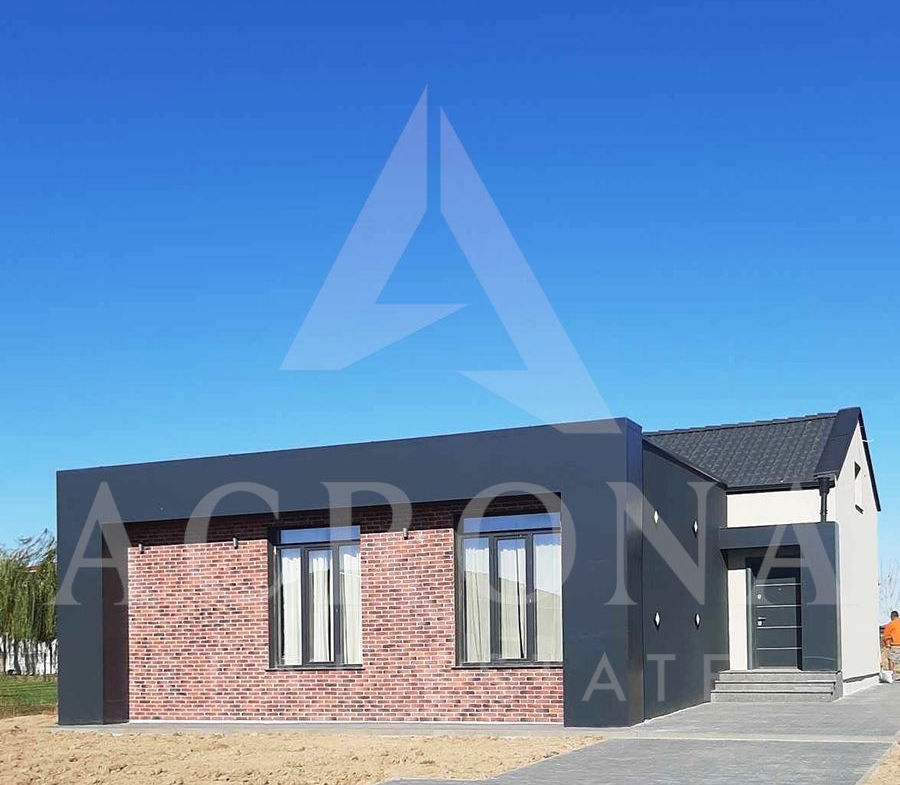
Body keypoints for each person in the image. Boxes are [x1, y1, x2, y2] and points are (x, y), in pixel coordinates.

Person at [883, 610, 900, 675]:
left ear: (892, 616)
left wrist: (887, 644)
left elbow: (885, 636)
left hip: (895, 646)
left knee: (891, 660)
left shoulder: (891, 624)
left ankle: (891, 675)